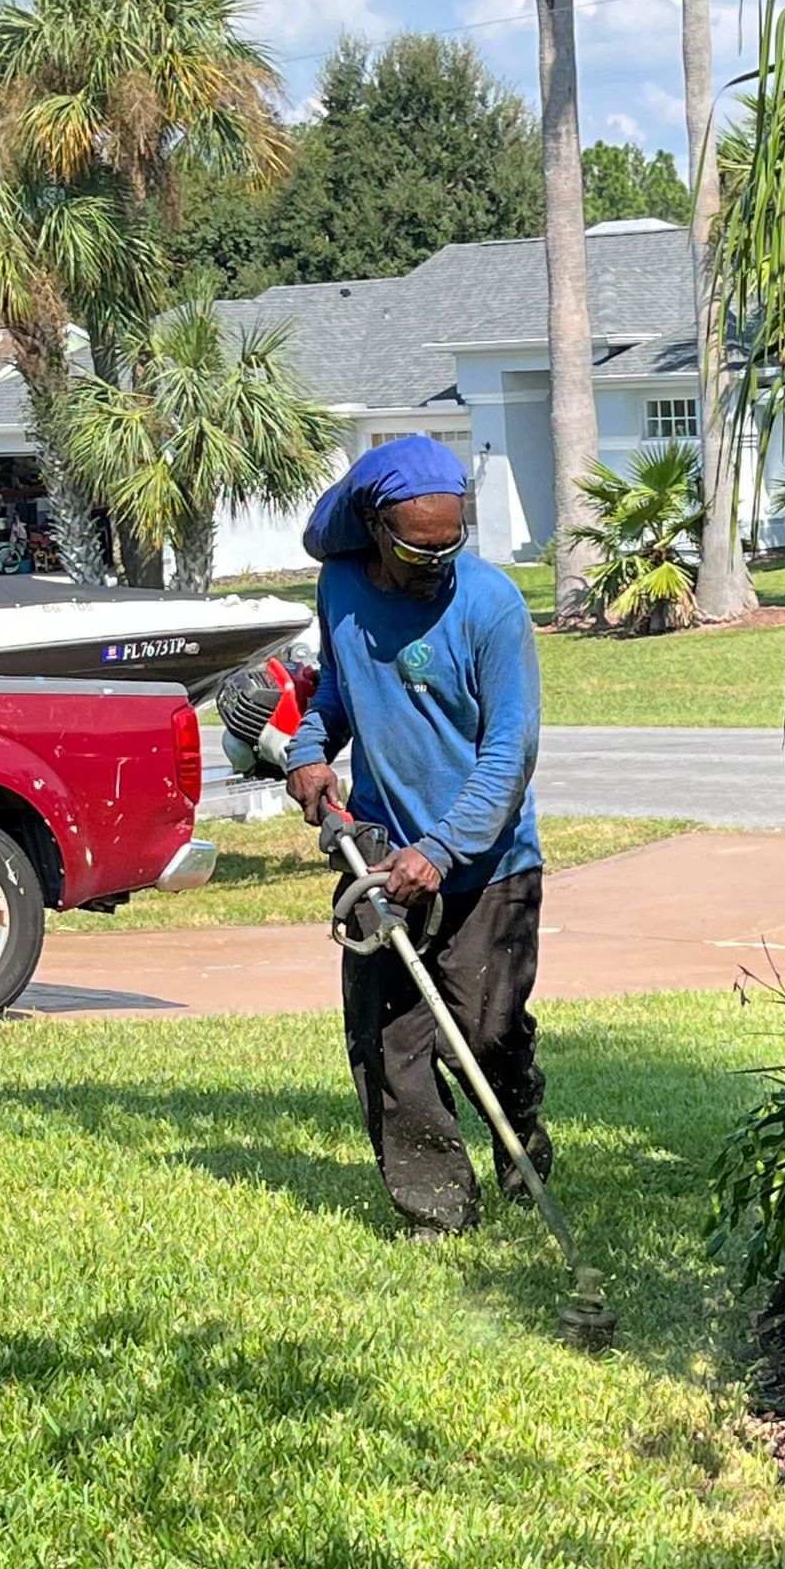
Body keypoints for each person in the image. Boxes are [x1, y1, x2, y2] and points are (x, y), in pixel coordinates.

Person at [284, 435, 551, 1235]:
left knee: (487, 1035)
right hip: (376, 855)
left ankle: (521, 1140)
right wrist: (308, 753)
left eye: (449, 546)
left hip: (488, 868)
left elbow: (511, 755)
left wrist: (438, 852)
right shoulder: (340, 586)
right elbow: (337, 690)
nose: (434, 563)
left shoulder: (492, 605)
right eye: (414, 547)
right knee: (390, 1044)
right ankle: (436, 1208)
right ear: (373, 527)